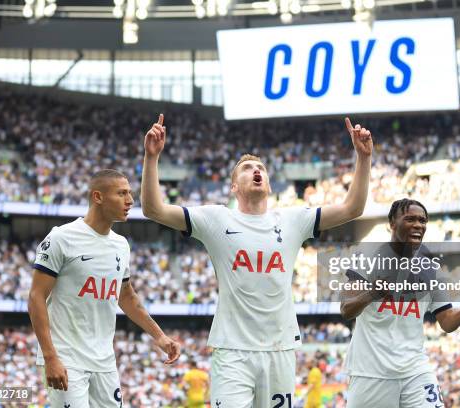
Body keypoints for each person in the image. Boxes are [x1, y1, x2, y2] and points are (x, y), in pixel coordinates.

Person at [141, 114, 372, 407]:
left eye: (260, 167)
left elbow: (353, 208)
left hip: (280, 349)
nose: (256, 171)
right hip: (232, 350)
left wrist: (363, 159)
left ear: (270, 185)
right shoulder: (215, 218)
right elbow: (153, 209)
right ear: (234, 187)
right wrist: (151, 158)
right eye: (248, 168)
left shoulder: (293, 219)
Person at [28, 169, 181, 407]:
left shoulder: (121, 245)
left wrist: (159, 336)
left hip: (104, 361)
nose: (130, 201)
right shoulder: (61, 238)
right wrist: (50, 357)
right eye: (121, 194)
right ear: (98, 197)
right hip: (66, 358)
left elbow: (127, 297)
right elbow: (36, 297)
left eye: (129, 193)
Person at [340, 198, 460, 408]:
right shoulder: (366, 258)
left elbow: (447, 322)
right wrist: (372, 293)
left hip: (415, 369)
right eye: (410, 219)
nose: (418, 225)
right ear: (392, 223)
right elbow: (346, 309)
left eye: (422, 221)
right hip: (371, 372)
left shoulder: (431, 269)